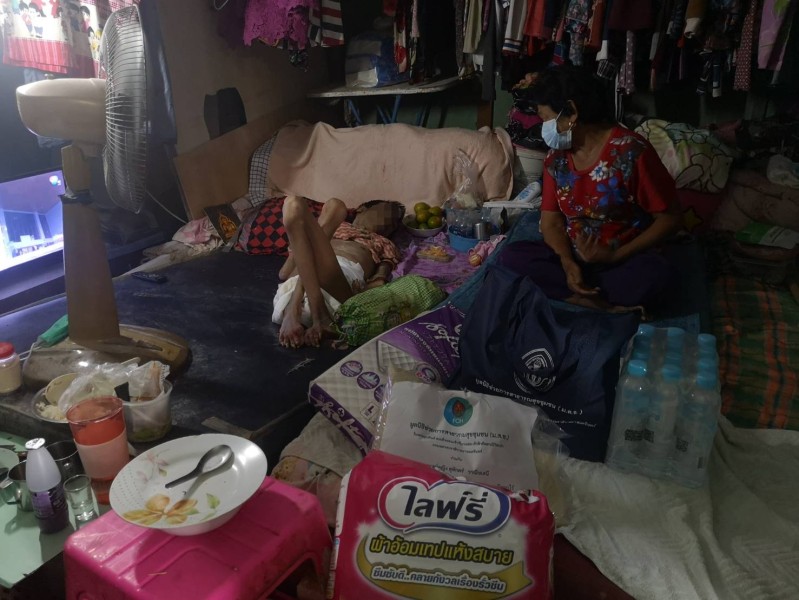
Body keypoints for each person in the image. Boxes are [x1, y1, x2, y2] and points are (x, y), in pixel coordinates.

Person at [498, 65, 682, 315]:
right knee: (511, 257)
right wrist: (567, 263)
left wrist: (615, 255)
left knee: (656, 275)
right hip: (574, 258)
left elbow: (670, 219)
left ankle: (578, 295)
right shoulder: (556, 158)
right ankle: (587, 298)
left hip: (624, 258)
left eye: (546, 118)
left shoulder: (630, 152)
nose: (543, 127)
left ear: (572, 112)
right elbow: (551, 221)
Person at [273, 195, 400, 348]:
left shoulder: (384, 242)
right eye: (383, 213)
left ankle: (298, 309)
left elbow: (380, 279)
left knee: (306, 206)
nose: (384, 222)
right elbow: (284, 272)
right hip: (298, 278)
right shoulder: (337, 225)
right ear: (361, 210)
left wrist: (367, 291)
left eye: (391, 222)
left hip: (338, 282)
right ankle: (311, 311)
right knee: (323, 206)